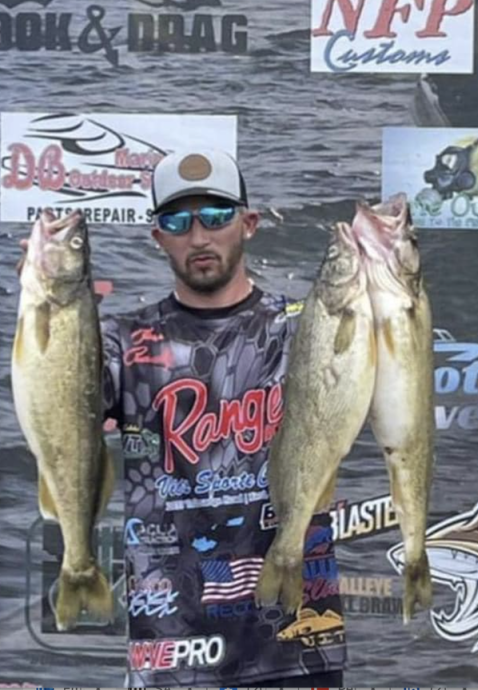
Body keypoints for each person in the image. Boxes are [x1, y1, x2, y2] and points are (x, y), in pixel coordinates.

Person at [21, 149, 347, 687]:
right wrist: (44, 314)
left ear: (249, 224)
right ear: (157, 237)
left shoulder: (305, 330)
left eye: (216, 217)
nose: (199, 236)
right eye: (178, 220)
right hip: (170, 647)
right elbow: (60, 423)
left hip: (297, 639)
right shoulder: (118, 342)